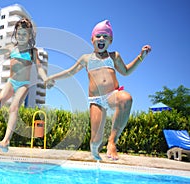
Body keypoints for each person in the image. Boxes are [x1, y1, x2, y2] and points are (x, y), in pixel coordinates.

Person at [46, 20, 151, 160]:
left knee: (126, 98)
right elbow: (70, 72)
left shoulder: (114, 57)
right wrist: (52, 77)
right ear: (92, 39)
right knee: (95, 141)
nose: (101, 39)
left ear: (111, 40)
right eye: (98, 36)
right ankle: (95, 151)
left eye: (105, 36)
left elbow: (126, 72)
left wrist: (140, 57)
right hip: (96, 100)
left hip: (112, 95)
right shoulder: (86, 58)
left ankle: (112, 141)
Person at [0, 18, 50, 152]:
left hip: (24, 84)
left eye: (24, 34)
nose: (21, 36)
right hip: (11, 82)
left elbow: (39, 67)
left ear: (29, 36)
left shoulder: (32, 51)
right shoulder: (12, 48)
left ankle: (6, 141)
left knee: (14, 107)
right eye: (19, 33)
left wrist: (45, 78)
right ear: (15, 34)